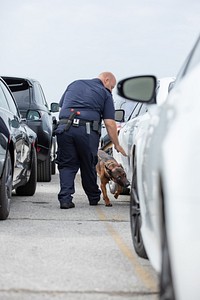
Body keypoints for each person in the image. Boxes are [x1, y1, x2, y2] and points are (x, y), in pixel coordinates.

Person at [55, 72, 127, 209]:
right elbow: (110, 123)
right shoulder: (105, 93)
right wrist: (116, 144)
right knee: (88, 164)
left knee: (67, 165)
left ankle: (65, 200)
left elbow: (62, 106)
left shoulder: (74, 83)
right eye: (111, 87)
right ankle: (93, 197)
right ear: (106, 80)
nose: (111, 90)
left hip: (64, 128)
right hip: (86, 131)